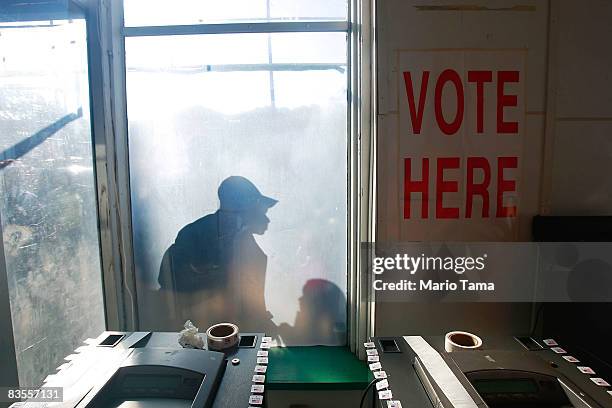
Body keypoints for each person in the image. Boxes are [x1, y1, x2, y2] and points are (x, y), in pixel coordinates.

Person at [158, 176, 277, 333]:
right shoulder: (196, 234)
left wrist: (261, 320)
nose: (266, 218)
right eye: (262, 210)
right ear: (245, 206)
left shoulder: (243, 238)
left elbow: (248, 289)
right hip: (202, 334)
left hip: (235, 333)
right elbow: (169, 281)